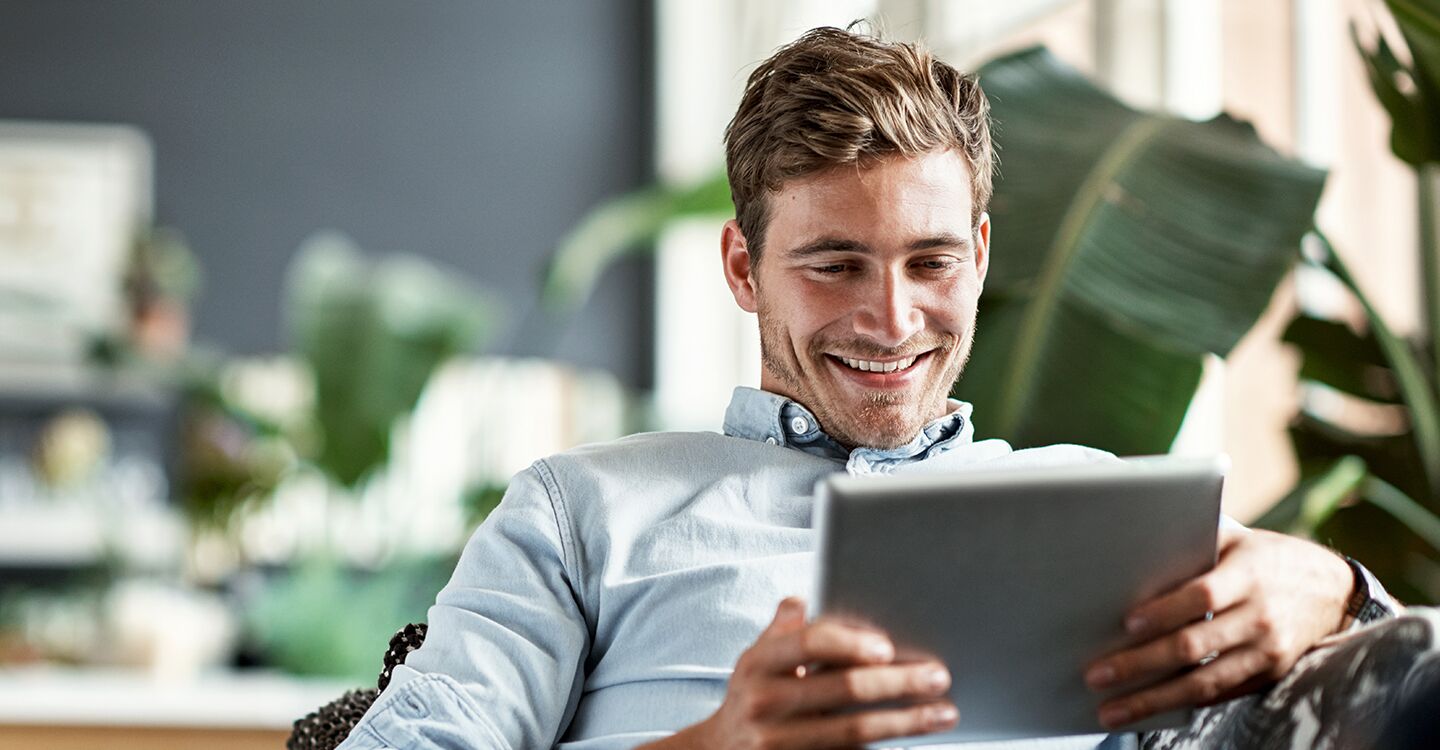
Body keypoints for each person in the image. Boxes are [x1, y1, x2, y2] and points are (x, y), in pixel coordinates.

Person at [336, 27, 1397, 750]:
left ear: (980, 255)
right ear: (744, 268)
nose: (892, 322)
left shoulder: (1101, 506)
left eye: (930, 263)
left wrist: (1341, 591)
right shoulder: (587, 511)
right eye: (835, 264)